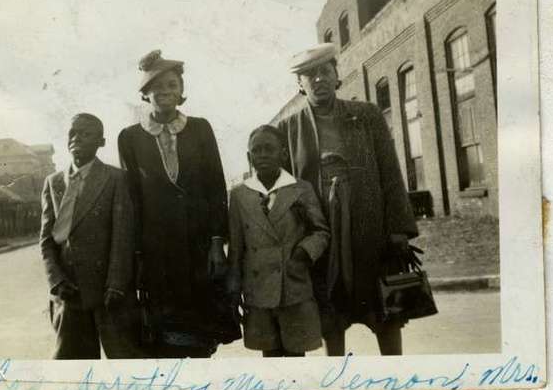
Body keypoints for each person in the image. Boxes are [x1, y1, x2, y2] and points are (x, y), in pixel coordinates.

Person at [272, 43, 420, 356]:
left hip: (370, 224)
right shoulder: (288, 128)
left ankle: (396, 377)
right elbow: (283, 190)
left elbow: (390, 172)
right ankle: (336, 380)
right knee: (330, 311)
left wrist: (399, 229)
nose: (318, 79)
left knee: (386, 308)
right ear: (299, 84)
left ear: (336, 75)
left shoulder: (367, 116)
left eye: (324, 71)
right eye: (308, 75)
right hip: (321, 231)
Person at [118, 49, 241, 358]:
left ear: (181, 91)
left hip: (198, 244)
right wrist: (137, 253)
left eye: (172, 85)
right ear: (145, 94)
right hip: (157, 248)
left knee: (200, 332)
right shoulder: (129, 138)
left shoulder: (200, 128)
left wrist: (216, 243)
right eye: (156, 86)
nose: (165, 92)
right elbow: (131, 198)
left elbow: (215, 186)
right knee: (164, 335)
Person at [39, 113, 141, 359]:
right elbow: (46, 240)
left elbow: (122, 236)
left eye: (86, 134)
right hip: (70, 292)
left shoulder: (115, 178)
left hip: (108, 292)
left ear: (101, 142)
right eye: (73, 133)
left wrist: (117, 284)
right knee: (73, 366)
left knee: (124, 362)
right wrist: (57, 280)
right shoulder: (53, 182)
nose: (77, 139)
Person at [226, 125, 330, 357]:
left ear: (283, 153)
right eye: (256, 150)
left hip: (294, 286)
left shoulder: (301, 189)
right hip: (258, 291)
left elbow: (321, 232)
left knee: (295, 356)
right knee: (270, 357)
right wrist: (233, 289)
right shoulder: (239, 194)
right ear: (248, 156)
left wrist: (304, 252)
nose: (262, 155)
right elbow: (236, 248)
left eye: (269, 149)